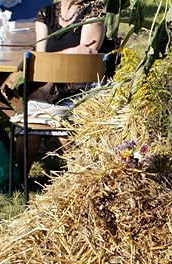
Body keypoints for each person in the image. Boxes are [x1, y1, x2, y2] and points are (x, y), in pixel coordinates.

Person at [16, 0, 109, 179]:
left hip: (81, 90)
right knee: (27, 129)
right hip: (46, 88)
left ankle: (80, 180)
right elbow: (40, 58)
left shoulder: (95, 10)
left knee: (65, 130)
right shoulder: (45, 14)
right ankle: (21, 181)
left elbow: (86, 53)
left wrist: (52, 60)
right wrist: (69, 53)